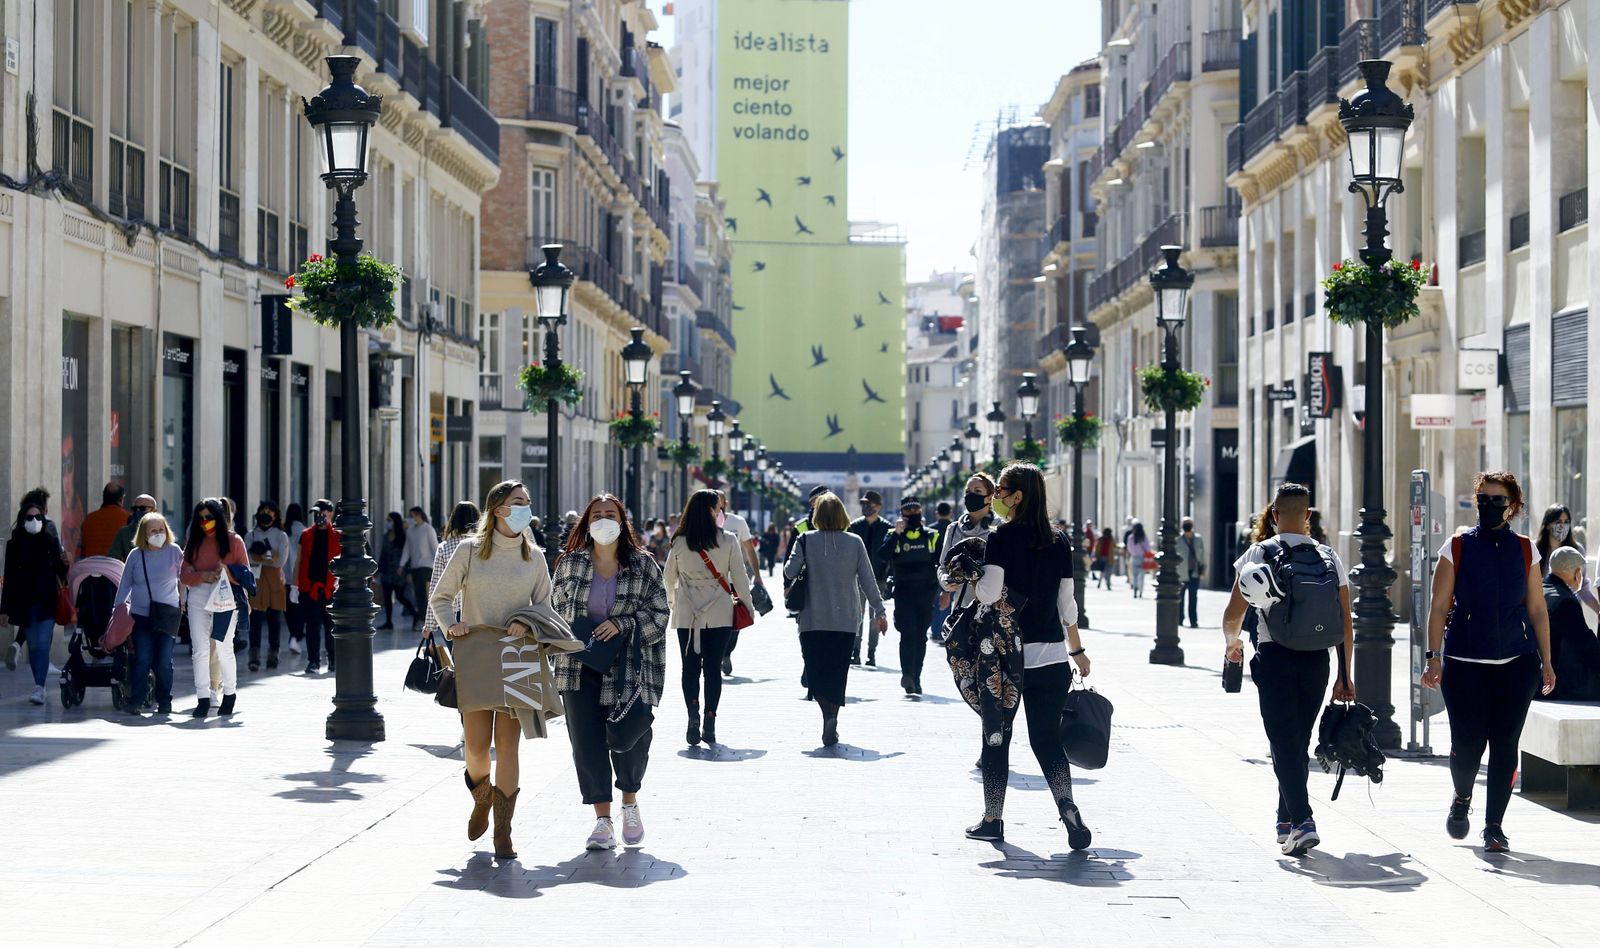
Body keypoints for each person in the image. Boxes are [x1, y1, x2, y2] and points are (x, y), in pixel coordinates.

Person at [1420, 471, 1555, 854]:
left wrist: (1547, 660)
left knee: (1505, 744)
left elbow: (1537, 609)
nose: (1489, 506)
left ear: (1512, 506)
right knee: (1467, 743)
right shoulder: (1457, 546)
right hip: (1464, 662)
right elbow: (1438, 607)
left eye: (1498, 500)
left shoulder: (1527, 549)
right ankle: (1462, 797)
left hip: (1517, 661)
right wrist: (1433, 658)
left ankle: (1494, 826)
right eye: (1484, 499)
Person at [962, 464, 1093, 846]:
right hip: (1051, 656)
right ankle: (1068, 808)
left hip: (1007, 659)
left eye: (1001, 489)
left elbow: (988, 593)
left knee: (996, 738)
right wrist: (1078, 650)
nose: (996, 495)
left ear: (1018, 496)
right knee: (1047, 740)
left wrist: (971, 575)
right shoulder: (1059, 540)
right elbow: (1067, 604)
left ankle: (993, 818)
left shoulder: (1001, 537)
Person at [1223, 482, 1354, 857]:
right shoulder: (1329, 556)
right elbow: (1345, 621)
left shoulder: (1258, 553)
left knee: (1283, 741)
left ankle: (1302, 820)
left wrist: (1232, 644)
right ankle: (1285, 819)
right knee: (1298, 740)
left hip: (1275, 655)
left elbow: (1234, 613)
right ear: (1308, 516)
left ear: (1275, 515)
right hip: (1318, 660)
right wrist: (1346, 675)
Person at [428, 481, 554, 860]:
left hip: (518, 656)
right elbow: (441, 596)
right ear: (497, 509)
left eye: (528, 503)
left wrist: (528, 623)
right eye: (518, 503)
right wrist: (452, 625)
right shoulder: (468, 551)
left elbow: (547, 606)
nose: (525, 509)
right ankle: (481, 798)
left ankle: (504, 830)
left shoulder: (535, 557)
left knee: (510, 748)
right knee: (478, 748)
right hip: (476, 655)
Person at [551, 493, 670, 851]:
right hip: (578, 666)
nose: (604, 520)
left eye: (611, 514)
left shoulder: (644, 565)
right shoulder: (570, 564)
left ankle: (629, 804)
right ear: (587, 523)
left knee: (630, 737)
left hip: (628, 668)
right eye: (597, 515)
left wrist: (623, 624)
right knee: (586, 745)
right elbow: (554, 611)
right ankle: (602, 821)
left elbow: (661, 614)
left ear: (622, 521)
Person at [785, 492, 886, 746]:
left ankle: (825, 714)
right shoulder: (855, 542)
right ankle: (833, 716)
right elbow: (868, 580)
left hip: (812, 618)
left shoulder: (805, 539)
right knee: (838, 670)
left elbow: (789, 571)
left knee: (817, 669)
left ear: (817, 515)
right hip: (846, 619)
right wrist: (879, 611)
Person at [662, 489, 753, 746]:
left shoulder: (679, 542)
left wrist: (673, 603)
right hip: (720, 612)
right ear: (711, 512)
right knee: (713, 669)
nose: (720, 513)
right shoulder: (728, 541)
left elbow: (669, 577)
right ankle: (709, 720)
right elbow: (740, 577)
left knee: (689, 667)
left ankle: (692, 714)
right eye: (717, 509)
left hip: (687, 613)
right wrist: (747, 606)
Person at [179, 498, 249, 717]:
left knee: (224, 646)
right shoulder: (194, 542)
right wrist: (202, 575)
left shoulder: (234, 540)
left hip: (226, 596)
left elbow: (246, 573)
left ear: (218, 517)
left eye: (209, 517)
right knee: (199, 648)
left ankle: (229, 693)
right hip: (199, 594)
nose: (205, 522)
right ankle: (203, 696)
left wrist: (228, 571)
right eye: (200, 518)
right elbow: (183, 575)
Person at [1, 495, 68, 705]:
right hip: (25, 603)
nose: (34, 521)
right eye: (29, 517)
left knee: (42, 643)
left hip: (47, 601)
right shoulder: (14, 545)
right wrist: (4, 609)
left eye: (38, 517)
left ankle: (39, 686)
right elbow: (9, 579)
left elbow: (60, 571)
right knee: (35, 647)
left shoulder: (50, 541)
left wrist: (66, 564)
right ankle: (38, 684)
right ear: (22, 520)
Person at [113, 512, 182, 714]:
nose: (158, 533)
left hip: (167, 615)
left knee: (164, 661)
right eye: (153, 530)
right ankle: (137, 700)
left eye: (161, 530)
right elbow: (125, 583)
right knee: (142, 658)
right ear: (144, 533)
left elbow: (185, 575)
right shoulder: (135, 555)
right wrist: (117, 609)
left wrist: (186, 598)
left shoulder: (174, 551)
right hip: (141, 615)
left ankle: (164, 701)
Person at [878, 496, 944, 695]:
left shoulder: (931, 535)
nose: (913, 514)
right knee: (908, 634)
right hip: (904, 592)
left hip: (926, 592)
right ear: (902, 514)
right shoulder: (893, 534)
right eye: (908, 511)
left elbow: (942, 563)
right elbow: (882, 556)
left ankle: (916, 677)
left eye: (916, 510)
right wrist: (897, 534)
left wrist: (944, 592)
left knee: (920, 636)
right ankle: (907, 675)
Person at [714, 490, 764, 676]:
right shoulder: (702, 523)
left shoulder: (737, 522)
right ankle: (714, 654)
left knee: (735, 620)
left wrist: (757, 575)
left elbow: (749, 549)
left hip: (734, 579)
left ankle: (726, 653)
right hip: (712, 581)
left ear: (725, 502)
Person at [938, 474, 999, 628]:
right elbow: (942, 567)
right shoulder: (953, 529)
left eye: (977, 491)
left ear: (989, 497)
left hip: (993, 612)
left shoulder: (1001, 528)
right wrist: (945, 581)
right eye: (968, 491)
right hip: (961, 612)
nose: (970, 495)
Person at [419, 501, 482, 645]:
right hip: (480, 613)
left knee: (458, 661)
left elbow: (436, 587)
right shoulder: (486, 545)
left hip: (451, 615)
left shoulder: (445, 547)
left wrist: (429, 625)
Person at [1543, 546, 1600, 701]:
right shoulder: (1566, 602)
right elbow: (1588, 648)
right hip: (1559, 685)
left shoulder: (1540, 590)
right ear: (1576, 573)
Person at [242, 501, 291, 671]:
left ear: (275, 515)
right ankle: (253, 656)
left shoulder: (281, 535)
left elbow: (280, 561)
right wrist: (265, 556)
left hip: (275, 581)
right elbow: (246, 558)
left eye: (269, 511)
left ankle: (273, 655)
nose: (266, 513)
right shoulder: (250, 535)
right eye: (262, 510)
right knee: (255, 620)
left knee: (274, 620)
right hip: (256, 580)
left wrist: (262, 556)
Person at [296, 500, 340, 674]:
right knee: (312, 626)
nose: (318, 517)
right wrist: (295, 586)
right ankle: (313, 661)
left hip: (331, 588)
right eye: (316, 513)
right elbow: (299, 561)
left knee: (331, 626)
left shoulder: (338, 535)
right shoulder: (306, 535)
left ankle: (333, 660)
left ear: (330, 513)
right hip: (311, 588)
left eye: (321, 513)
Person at [847, 490, 891, 665]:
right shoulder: (855, 527)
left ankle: (871, 653)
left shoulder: (887, 528)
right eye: (864, 504)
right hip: (857, 579)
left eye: (870, 504)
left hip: (878, 579)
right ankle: (855, 652)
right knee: (857, 616)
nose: (866, 507)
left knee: (875, 618)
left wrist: (890, 577)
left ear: (878, 507)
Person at [1535, 504, 1600, 614]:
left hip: (1570, 611)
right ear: (1547, 525)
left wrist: (1598, 610)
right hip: (1543, 613)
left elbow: (1583, 588)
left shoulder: (1577, 550)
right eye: (1558, 522)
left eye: (1566, 522)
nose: (1562, 526)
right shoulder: (1535, 550)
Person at [399, 506, 439, 630]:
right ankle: (426, 619)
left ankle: (423, 620)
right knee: (419, 595)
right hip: (415, 567)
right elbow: (407, 549)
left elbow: (435, 548)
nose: (410, 519)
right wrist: (401, 565)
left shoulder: (428, 529)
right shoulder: (410, 531)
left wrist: (439, 566)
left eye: (412, 516)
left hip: (426, 567)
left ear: (418, 515)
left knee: (422, 595)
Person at [376, 511, 415, 630]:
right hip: (387, 572)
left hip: (399, 572)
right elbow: (383, 554)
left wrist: (408, 571)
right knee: (387, 598)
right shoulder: (385, 536)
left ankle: (415, 614)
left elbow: (408, 555)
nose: (387, 523)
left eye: (389, 520)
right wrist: (378, 570)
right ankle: (388, 622)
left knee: (400, 596)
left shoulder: (403, 536)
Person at [929, 502, 957, 642]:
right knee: (948, 602)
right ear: (950, 513)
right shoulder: (956, 529)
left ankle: (935, 630)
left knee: (935, 603)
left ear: (937, 513)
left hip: (934, 572)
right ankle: (944, 631)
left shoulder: (931, 530)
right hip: (951, 571)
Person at [282, 503, 307, 657]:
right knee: (300, 608)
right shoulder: (305, 531)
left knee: (288, 609)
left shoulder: (283, 531)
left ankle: (294, 634)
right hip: (300, 576)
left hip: (284, 576)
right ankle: (296, 635)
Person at [80, 483, 129, 560]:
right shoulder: (128, 518)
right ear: (121, 499)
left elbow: (82, 549)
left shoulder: (89, 519)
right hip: (115, 568)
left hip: (90, 567)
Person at [1176, 517, 1207, 628]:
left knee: (1193, 598)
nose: (1187, 526)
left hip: (1194, 573)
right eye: (1185, 524)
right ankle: (1179, 619)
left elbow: (1202, 556)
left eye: (1188, 524)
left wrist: (1202, 571)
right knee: (1180, 598)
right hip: (1181, 574)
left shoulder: (1198, 539)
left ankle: (1193, 621)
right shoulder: (1177, 539)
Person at [108, 494, 157, 562]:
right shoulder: (124, 533)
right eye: (134, 509)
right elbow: (113, 558)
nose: (138, 511)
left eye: (142, 508)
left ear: (154, 511)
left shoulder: (161, 532)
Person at [1125, 520, 1152, 598]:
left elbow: (1129, 548)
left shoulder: (1131, 537)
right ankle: (1141, 591)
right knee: (1142, 576)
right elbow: (1148, 548)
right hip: (1143, 558)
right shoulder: (1144, 537)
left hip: (1134, 557)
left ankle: (1135, 588)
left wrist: (1134, 553)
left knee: (1134, 575)